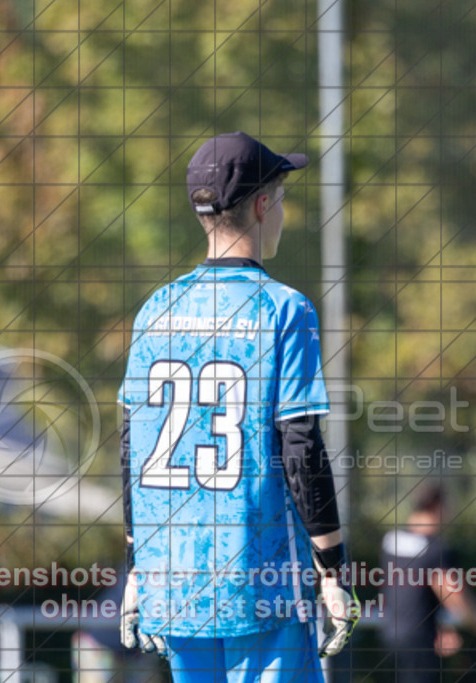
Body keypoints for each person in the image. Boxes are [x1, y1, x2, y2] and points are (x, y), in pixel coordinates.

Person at [118, 131, 359, 681]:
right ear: (260, 205)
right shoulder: (284, 309)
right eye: (281, 197)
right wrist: (332, 570)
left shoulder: (156, 309)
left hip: (173, 578)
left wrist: (137, 565)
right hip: (260, 577)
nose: (283, 212)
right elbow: (299, 444)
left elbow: (133, 444)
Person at [380, 484, 476, 683]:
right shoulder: (435, 548)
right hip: (420, 641)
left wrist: (443, 627)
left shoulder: (391, 542)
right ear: (437, 506)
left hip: (390, 636)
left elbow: (408, 593)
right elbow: (452, 593)